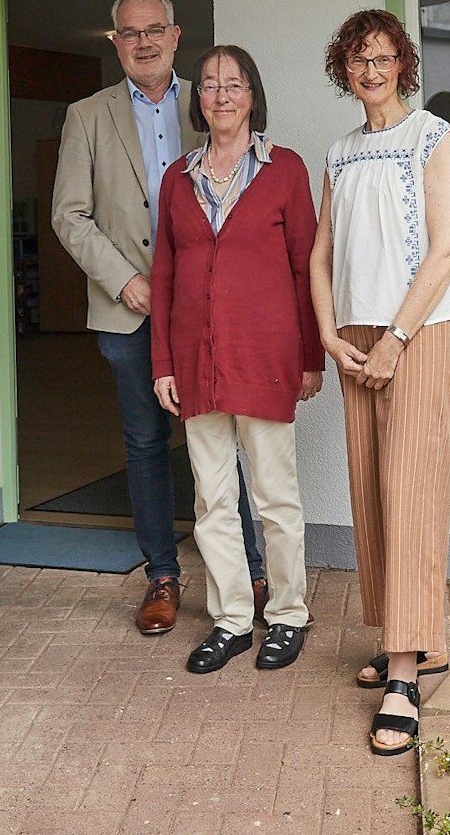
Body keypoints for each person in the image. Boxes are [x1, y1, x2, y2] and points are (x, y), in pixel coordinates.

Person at [52, 0, 266, 635]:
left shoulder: (207, 99)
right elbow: (69, 213)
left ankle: (252, 571)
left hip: (207, 308)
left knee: (226, 442)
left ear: (175, 36)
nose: (142, 41)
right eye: (128, 33)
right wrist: (123, 281)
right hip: (129, 311)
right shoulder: (86, 114)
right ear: (115, 44)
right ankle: (163, 578)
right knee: (146, 444)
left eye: (153, 30)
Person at [309, 8, 450, 757]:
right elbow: (319, 257)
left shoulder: (432, 137)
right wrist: (326, 334)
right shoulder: (341, 151)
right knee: (373, 495)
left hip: (415, 332)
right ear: (342, 69)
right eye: (357, 59)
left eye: (382, 58)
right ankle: (409, 638)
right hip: (352, 336)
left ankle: (405, 678)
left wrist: (396, 339)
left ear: (402, 64)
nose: (370, 70)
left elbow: (443, 252)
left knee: (411, 492)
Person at [149, 46, 322, 673]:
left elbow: (307, 268)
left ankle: (287, 615)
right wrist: (162, 362)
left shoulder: (284, 170)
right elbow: (164, 274)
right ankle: (230, 619)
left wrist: (311, 356)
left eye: (234, 84)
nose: (221, 95)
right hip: (197, 360)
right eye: (210, 85)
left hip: (266, 356)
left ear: (253, 95)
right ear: (198, 100)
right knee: (211, 499)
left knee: (276, 498)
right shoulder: (178, 177)